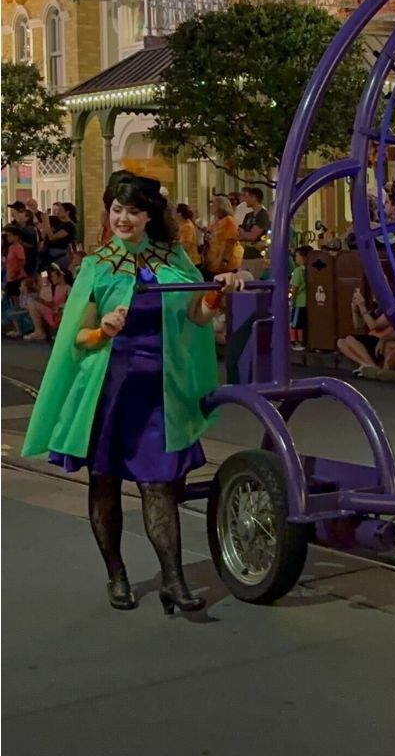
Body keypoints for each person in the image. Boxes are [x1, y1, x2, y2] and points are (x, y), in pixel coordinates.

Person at [21, 171, 245, 613]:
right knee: (104, 482)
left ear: (149, 216)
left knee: (159, 484)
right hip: (108, 391)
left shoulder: (174, 258)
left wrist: (219, 291)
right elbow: (77, 336)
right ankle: (117, 574)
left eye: (133, 211)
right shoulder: (96, 265)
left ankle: (173, 581)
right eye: (117, 210)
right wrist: (102, 330)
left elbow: (197, 317)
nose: (123, 218)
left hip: (160, 393)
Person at [26, 263, 72, 341]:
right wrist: (42, 301)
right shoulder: (55, 287)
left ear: (61, 276)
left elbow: (71, 303)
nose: (51, 278)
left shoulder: (68, 288)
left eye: (53, 276)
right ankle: (39, 331)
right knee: (32, 303)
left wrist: (60, 306)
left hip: (60, 313)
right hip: (53, 311)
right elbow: (52, 302)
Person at [205, 195, 240, 277]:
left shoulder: (229, 221)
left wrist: (225, 260)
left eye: (213, 204)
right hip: (213, 263)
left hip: (226, 263)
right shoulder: (214, 222)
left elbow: (230, 242)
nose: (211, 206)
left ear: (220, 206)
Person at [237, 186, 270, 260]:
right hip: (246, 253)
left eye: (247, 197)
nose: (245, 200)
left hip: (258, 255)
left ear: (254, 198)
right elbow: (239, 235)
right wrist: (244, 234)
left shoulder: (263, 215)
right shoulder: (248, 215)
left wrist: (243, 233)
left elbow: (252, 236)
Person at [290, 245, 313, 349]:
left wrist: (292, 299)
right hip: (308, 301)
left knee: (296, 324)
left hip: (299, 301)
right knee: (304, 324)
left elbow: (295, 287)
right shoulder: (310, 269)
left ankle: (298, 342)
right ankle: (304, 341)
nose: (295, 258)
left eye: (296, 256)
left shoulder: (298, 271)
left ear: (302, 257)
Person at [44, 201, 75, 271]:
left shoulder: (69, 226)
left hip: (60, 256)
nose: (58, 212)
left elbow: (52, 237)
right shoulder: (60, 224)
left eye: (60, 210)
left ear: (67, 212)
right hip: (52, 255)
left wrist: (47, 221)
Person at [174, 204, 203, 271]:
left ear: (179, 214)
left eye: (174, 211)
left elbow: (185, 245)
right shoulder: (182, 224)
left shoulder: (187, 226)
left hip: (191, 261)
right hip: (186, 261)